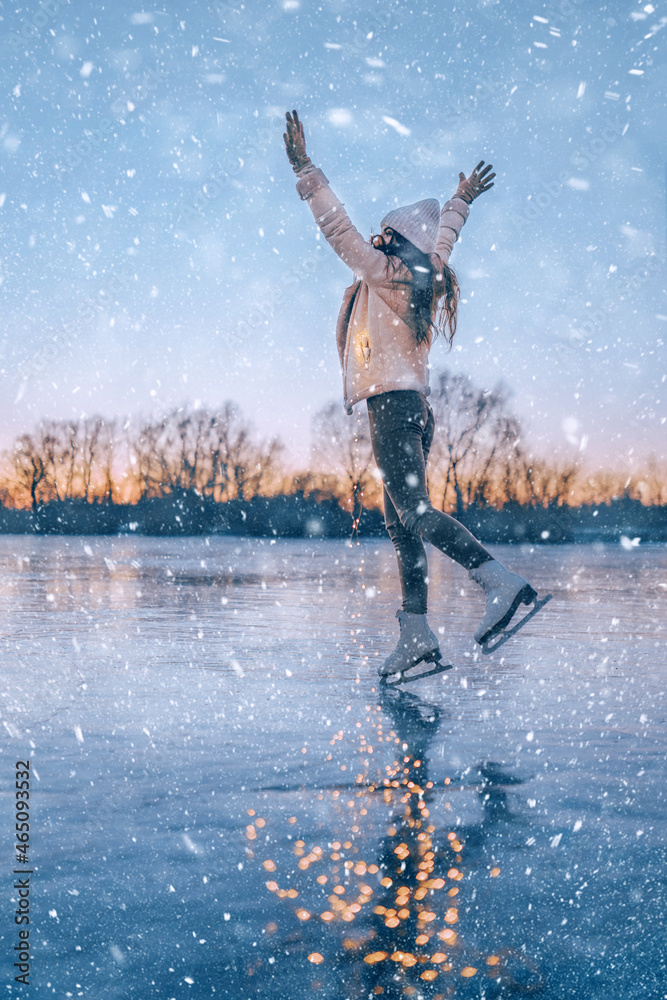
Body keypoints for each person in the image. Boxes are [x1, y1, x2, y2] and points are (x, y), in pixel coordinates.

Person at [283, 110, 549, 682]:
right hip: (414, 411)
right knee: (403, 523)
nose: (375, 241)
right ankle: (416, 634)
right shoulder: (425, 278)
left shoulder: (386, 273)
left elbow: (339, 231)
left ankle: (497, 580)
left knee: (414, 514)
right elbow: (444, 239)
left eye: (385, 235)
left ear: (398, 244)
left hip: (394, 406)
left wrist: (307, 171)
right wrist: (461, 201)